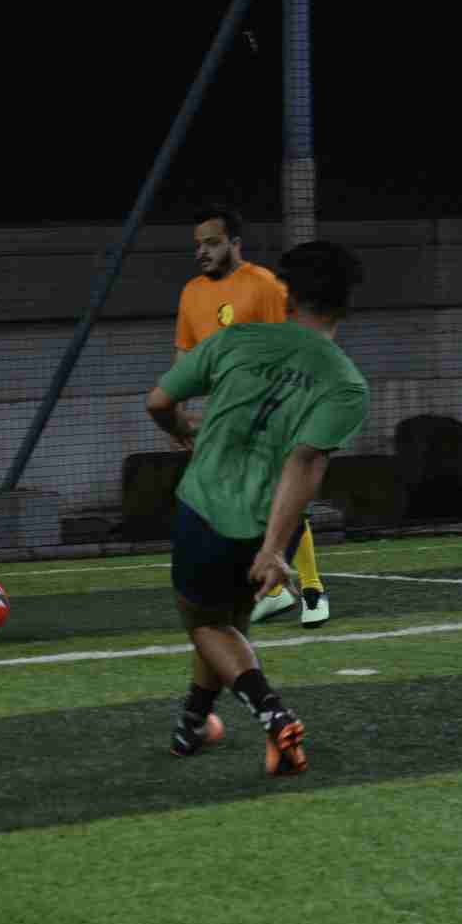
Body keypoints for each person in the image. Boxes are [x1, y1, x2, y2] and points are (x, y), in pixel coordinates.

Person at [147, 240, 371, 776]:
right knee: (229, 623)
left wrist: (181, 429)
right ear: (346, 305)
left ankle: (274, 716)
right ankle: (191, 725)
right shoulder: (346, 383)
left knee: (204, 623)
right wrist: (272, 549)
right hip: (271, 525)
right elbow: (304, 463)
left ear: (287, 295)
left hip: (205, 507)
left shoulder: (236, 339)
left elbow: (158, 401)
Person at [172, 204, 332, 629]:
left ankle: (311, 589)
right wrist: (179, 413)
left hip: (271, 412)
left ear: (235, 244)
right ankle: (273, 590)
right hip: (221, 419)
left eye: (212, 243)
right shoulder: (191, 293)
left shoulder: (264, 286)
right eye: (198, 245)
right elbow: (185, 353)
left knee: (277, 495)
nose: (202, 252)